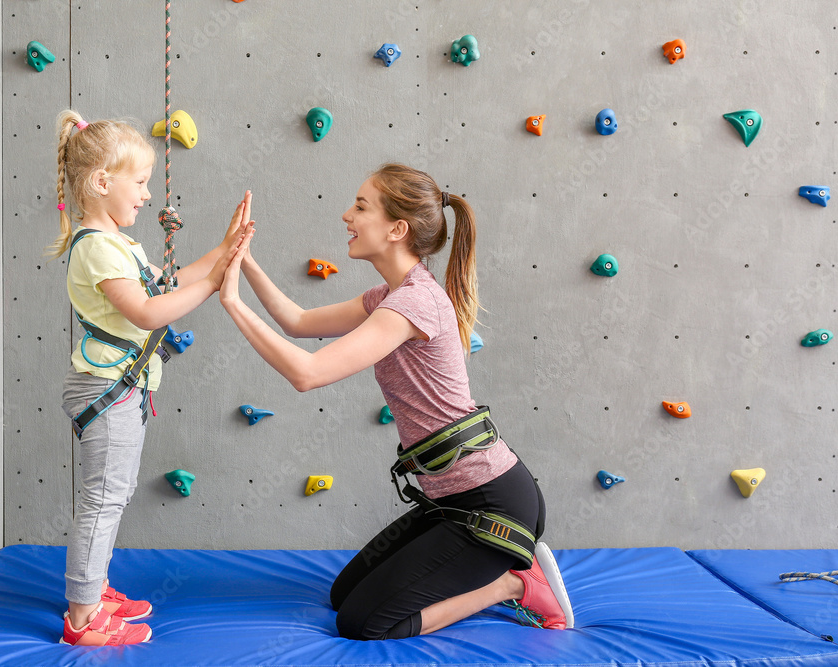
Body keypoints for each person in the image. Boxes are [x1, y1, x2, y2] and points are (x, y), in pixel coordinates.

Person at [219, 164, 574, 640]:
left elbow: (307, 373)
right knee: (343, 595)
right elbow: (298, 321)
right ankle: (500, 573)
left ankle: (512, 584)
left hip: (493, 508)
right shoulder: (390, 295)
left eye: (361, 206)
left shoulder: (413, 305)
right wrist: (243, 259)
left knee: (363, 621)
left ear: (397, 229)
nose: (347, 215)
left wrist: (233, 303)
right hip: (449, 501)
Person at [47, 110, 248, 646]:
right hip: (105, 389)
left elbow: (174, 281)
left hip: (119, 388)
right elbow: (149, 311)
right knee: (103, 497)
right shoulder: (95, 246)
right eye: (139, 183)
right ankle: (82, 618)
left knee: (112, 492)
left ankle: (94, 588)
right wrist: (214, 288)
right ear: (101, 182)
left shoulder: (119, 244)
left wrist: (226, 250)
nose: (146, 194)